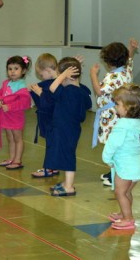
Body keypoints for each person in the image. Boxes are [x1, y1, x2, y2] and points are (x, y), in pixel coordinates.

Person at [30, 54, 90, 178]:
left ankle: (53, 172)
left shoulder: (63, 88)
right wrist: (72, 67)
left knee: (61, 150)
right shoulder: (72, 89)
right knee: (59, 148)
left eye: (41, 75)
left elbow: (50, 100)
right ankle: (53, 169)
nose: (41, 78)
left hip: (60, 124)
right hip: (65, 124)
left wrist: (41, 93)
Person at [90, 38, 139, 186]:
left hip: (111, 115)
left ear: (108, 62)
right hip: (121, 114)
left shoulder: (112, 77)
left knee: (113, 145)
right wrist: (131, 49)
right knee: (118, 144)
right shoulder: (126, 71)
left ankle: (116, 174)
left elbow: (99, 91)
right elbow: (129, 59)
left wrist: (93, 74)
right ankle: (114, 171)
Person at [102, 84, 140, 230]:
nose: (116, 107)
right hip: (137, 164)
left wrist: (107, 158)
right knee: (127, 192)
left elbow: (112, 144)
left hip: (125, 165)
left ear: (128, 107)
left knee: (120, 192)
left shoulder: (122, 125)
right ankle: (125, 213)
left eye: (118, 104)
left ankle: (128, 218)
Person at [43, 57, 92, 196]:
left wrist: (64, 74)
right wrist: (71, 70)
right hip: (72, 129)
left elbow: (53, 87)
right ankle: (66, 182)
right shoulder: (81, 91)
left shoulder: (68, 92)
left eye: (60, 75)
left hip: (64, 129)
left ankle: (69, 186)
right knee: (66, 154)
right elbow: (88, 104)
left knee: (68, 156)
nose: (58, 78)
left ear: (67, 76)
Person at [0, 56, 32, 170]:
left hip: (16, 116)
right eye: (10, 69)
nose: (12, 71)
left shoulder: (22, 86)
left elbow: (25, 102)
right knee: (10, 138)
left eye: (16, 68)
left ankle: (18, 160)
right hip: (6, 116)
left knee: (17, 138)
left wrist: (10, 106)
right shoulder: (6, 83)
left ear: (23, 71)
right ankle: (11, 158)